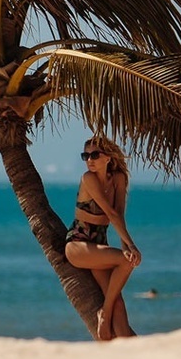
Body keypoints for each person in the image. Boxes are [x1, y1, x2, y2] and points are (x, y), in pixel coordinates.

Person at [64, 136, 141, 341]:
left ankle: (126, 352)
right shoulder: (88, 179)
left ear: (108, 157)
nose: (90, 159)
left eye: (95, 155)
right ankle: (104, 314)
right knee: (126, 261)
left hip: (99, 246)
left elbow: (120, 216)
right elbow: (110, 213)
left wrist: (126, 246)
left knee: (118, 303)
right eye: (86, 155)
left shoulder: (118, 179)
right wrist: (131, 248)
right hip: (78, 245)